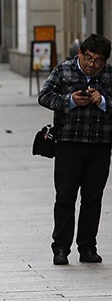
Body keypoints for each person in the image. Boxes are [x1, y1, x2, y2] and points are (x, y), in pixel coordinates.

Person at [38, 34, 112, 266]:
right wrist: (69, 100)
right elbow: (44, 96)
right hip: (69, 143)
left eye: (98, 60)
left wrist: (102, 101)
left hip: (100, 145)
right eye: (88, 58)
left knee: (93, 198)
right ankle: (60, 248)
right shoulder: (64, 70)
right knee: (65, 197)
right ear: (80, 53)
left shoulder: (109, 75)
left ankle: (87, 247)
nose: (92, 64)